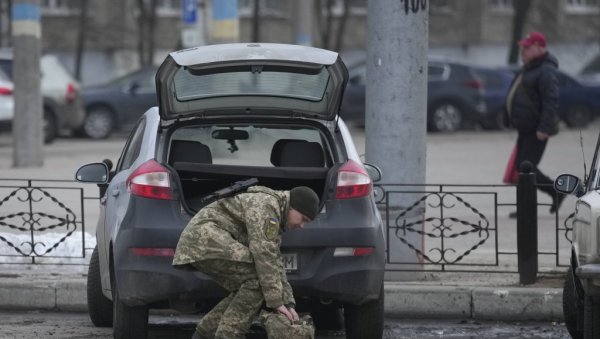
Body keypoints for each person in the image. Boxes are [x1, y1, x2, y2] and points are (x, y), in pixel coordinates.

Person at [172, 185, 320, 339]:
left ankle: (203, 335)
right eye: (303, 219)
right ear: (293, 206)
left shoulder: (275, 211)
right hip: (204, 240)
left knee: (249, 289)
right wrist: (276, 303)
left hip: (204, 242)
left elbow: (274, 260)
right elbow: (264, 255)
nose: (302, 226)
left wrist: (289, 303)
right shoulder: (268, 207)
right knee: (257, 282)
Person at [505, 31, 564, 215]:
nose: (523, 51)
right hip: (525, 128)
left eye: (527, 48)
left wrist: (544, 128)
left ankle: (553, 191)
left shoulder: (546, 71)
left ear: (539, 47)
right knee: (522, 168)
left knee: (526, 168)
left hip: (536, 130)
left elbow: (551, 101)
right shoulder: (529, 68)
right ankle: (527, 206)